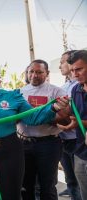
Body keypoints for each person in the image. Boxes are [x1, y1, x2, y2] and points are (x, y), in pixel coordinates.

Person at [0, 61, 69, 200]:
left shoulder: (13, 97)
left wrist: (54, 108)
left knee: (11, 193)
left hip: (10, 151)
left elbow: (33, 117)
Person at [18, 59, 67, 200]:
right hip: (24, 144)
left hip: (49, 144)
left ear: (47, 73)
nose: (34, 75)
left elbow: (65, 118)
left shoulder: (57, 92)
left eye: (39, 72)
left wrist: (42, 118)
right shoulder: (20, 92)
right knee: (26, 185)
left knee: (48, 186)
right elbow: (15, 116)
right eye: (31, 71)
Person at [59, 50, 87, 200]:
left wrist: (80, 123)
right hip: (81, 153)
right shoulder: (76, 89)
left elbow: (80, 121)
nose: (75, 74)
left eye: (79, 69)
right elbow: (74, 115)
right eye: (72, 70)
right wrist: (65, 111)